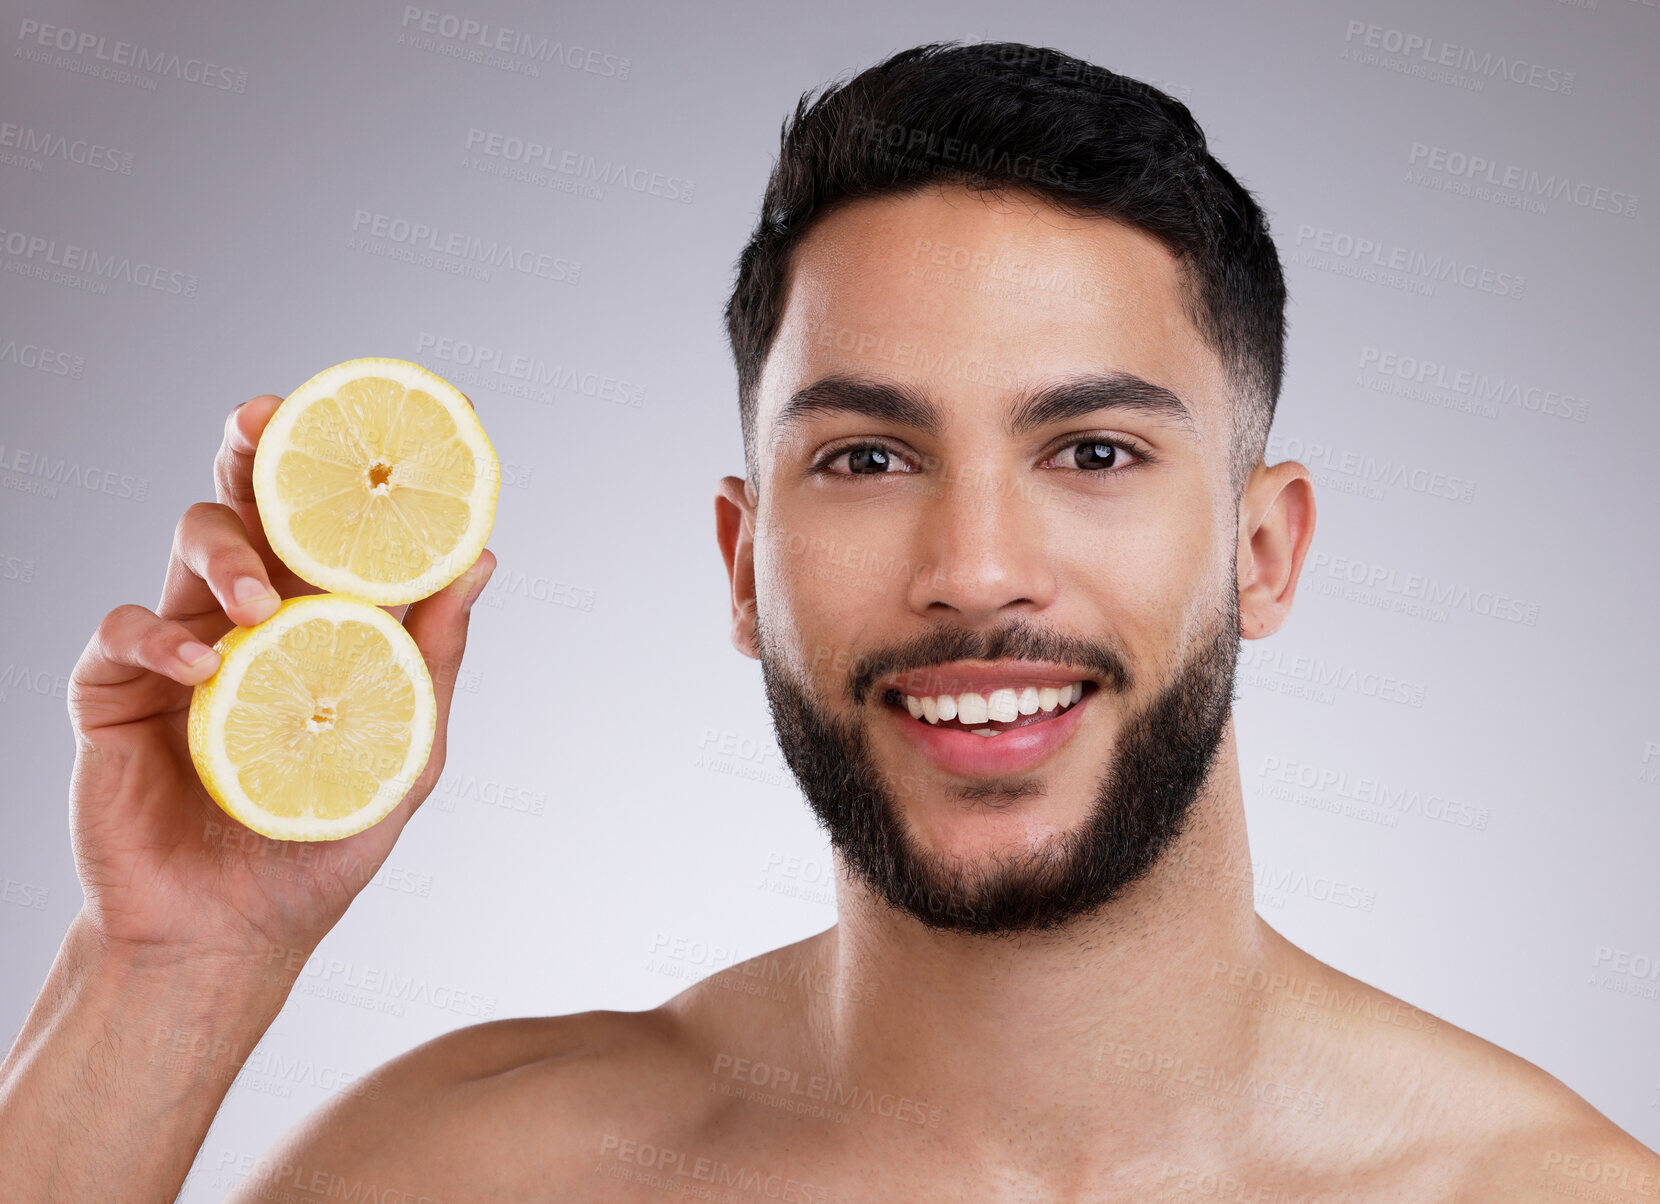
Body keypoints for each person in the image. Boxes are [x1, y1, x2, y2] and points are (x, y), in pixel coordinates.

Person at [3, 39, 1655, 1202]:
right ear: (742, 562)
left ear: (1266, 548)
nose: (978, 567)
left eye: (1092, 451)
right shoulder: (473, 1174)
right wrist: (168, 974)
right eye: (868, 456)